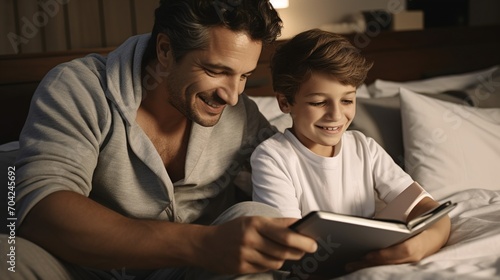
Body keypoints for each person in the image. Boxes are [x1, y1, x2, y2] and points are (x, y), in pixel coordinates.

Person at [1, 1, 318, 279]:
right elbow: (40, 211)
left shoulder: (242, 115)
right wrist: (201, 244)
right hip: (82, 269)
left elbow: (300, 178)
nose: (233, 95)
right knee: (7, 253)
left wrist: (359, 243)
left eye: (244, 76)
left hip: (192, 274)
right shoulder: (79, 87)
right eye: (215, 70)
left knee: (256, 217)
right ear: (165, 50)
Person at [251, 29, 452, 274]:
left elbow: (432, 211)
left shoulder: (364, 147)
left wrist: (419, 246)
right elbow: (288, 246)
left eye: (347, 100)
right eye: (318, 102)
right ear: (285, 102)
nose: (336, 115)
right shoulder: (272, 157)